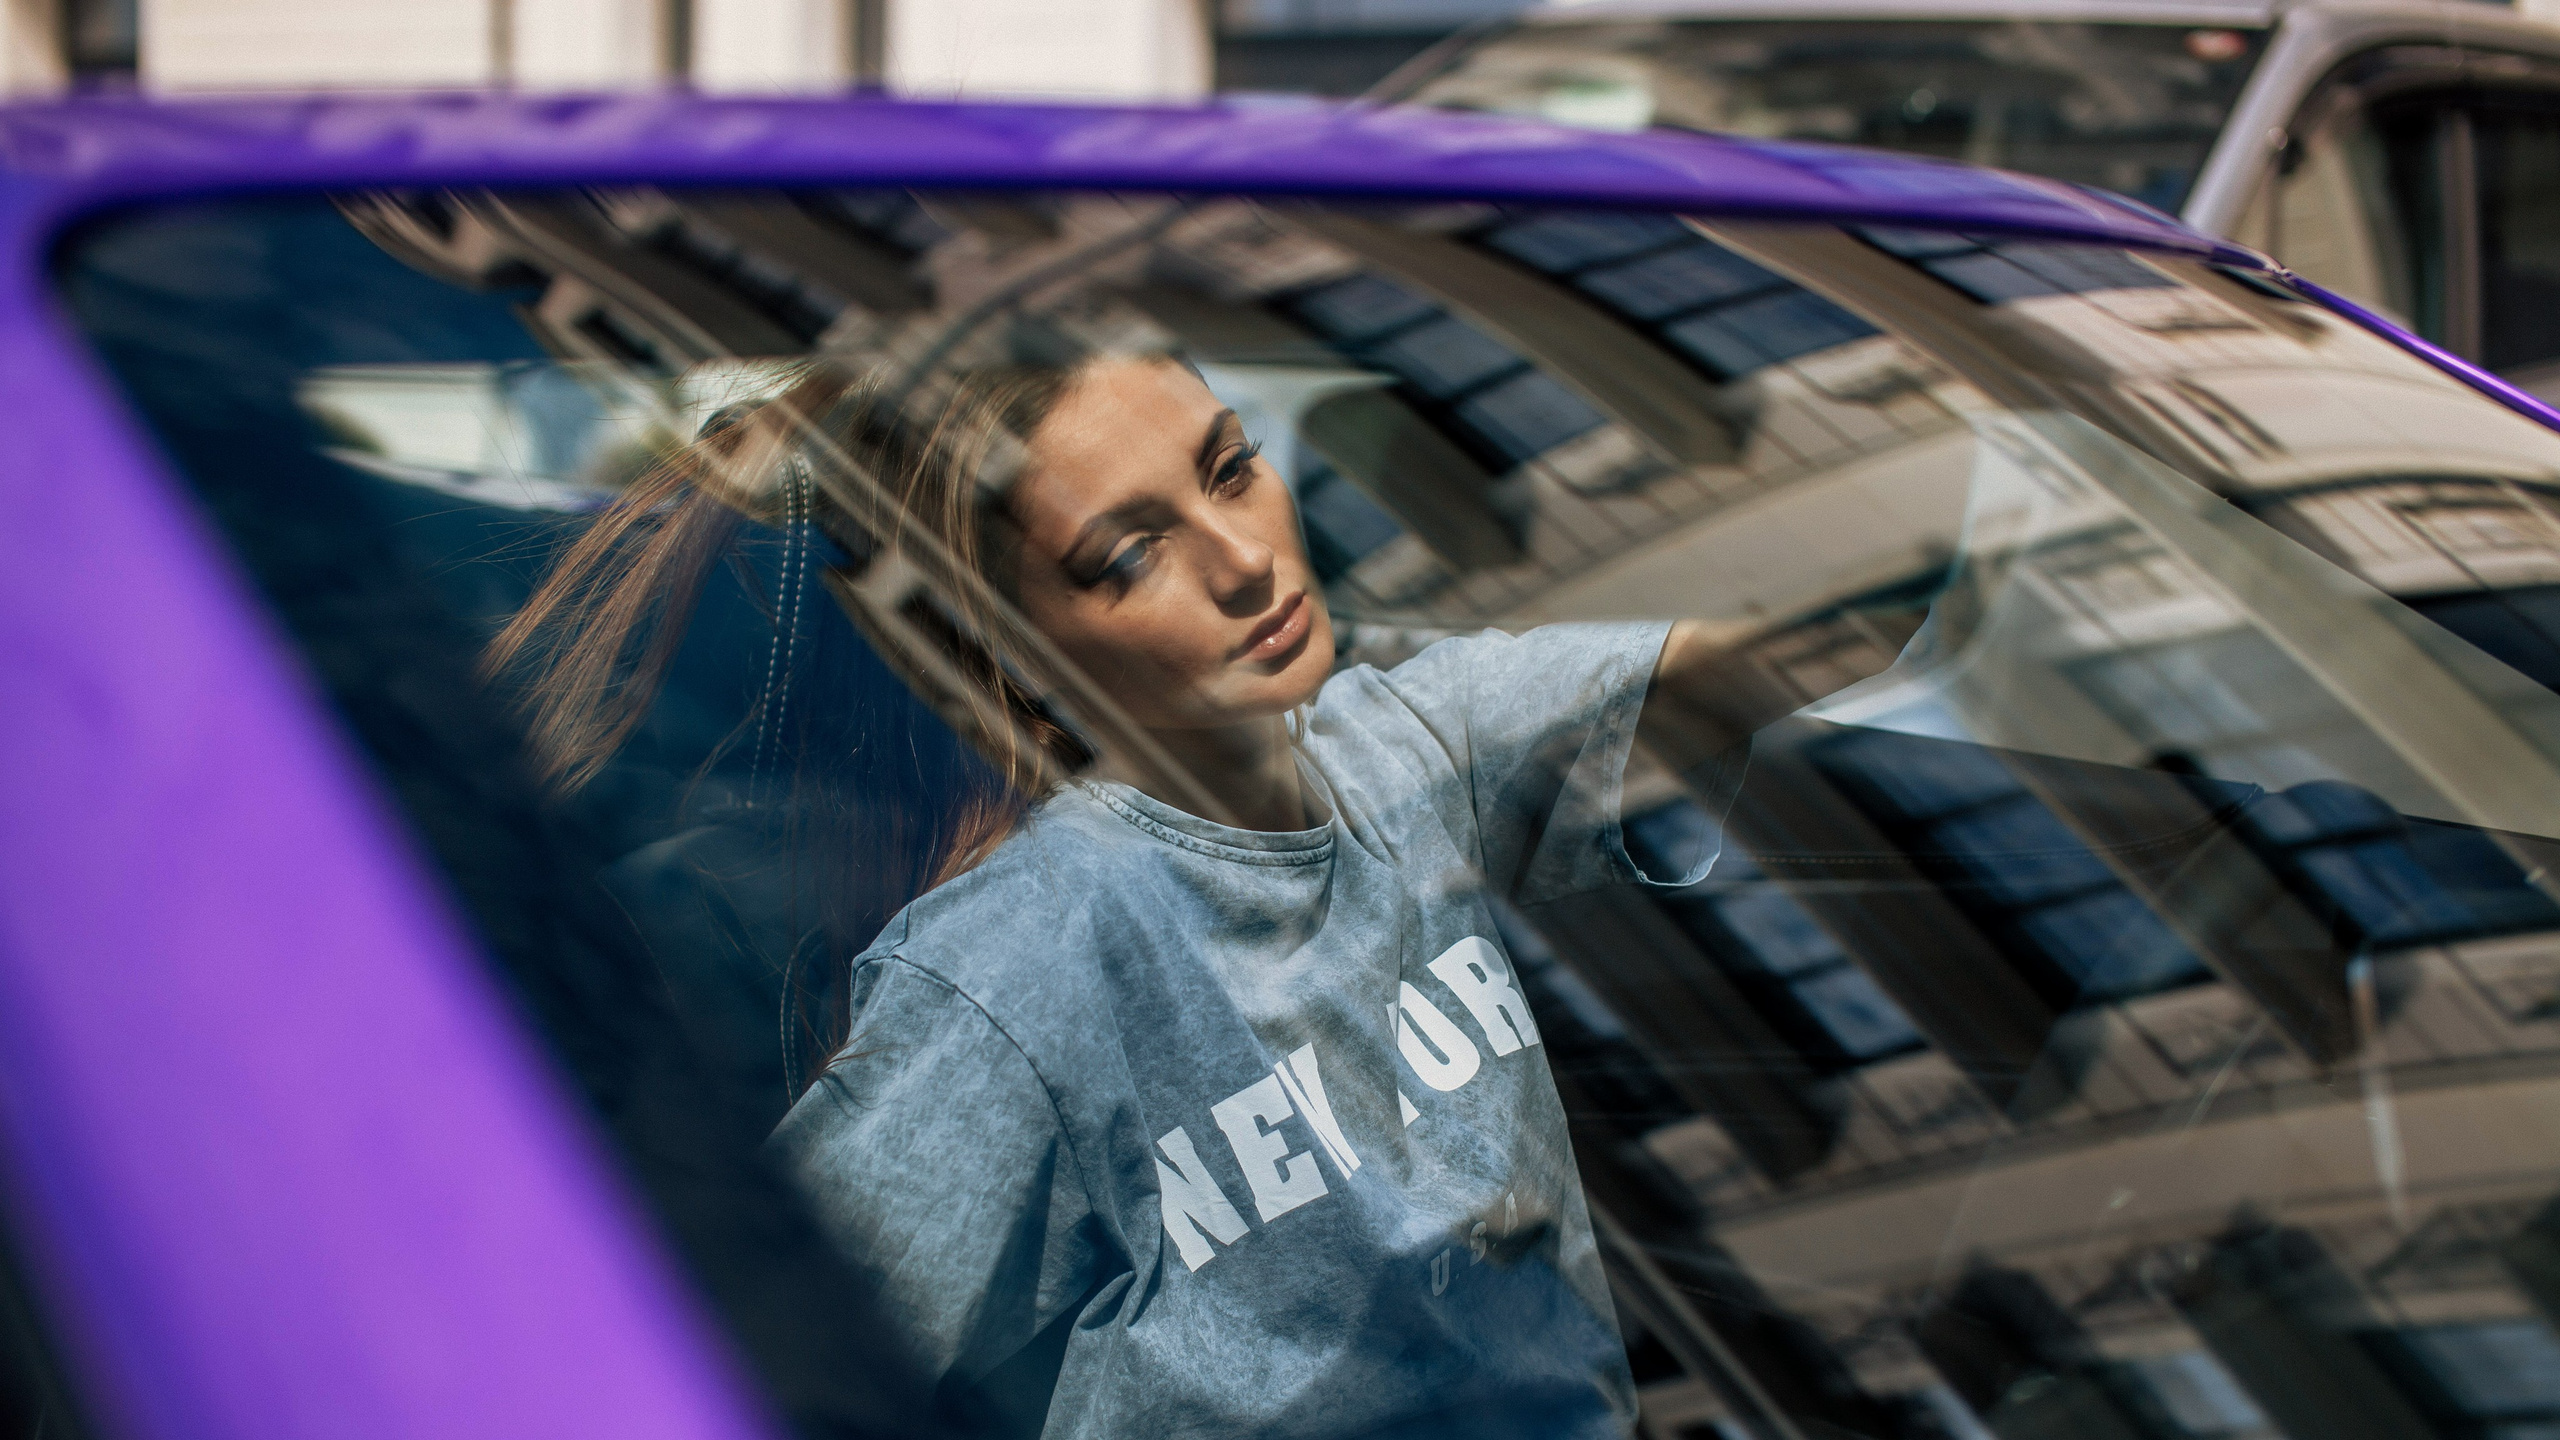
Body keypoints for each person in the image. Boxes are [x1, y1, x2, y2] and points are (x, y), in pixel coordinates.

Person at [493, 348, 1816, 1439]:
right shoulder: (1030, 954)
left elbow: (1799, 644)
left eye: (1230, 468)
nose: (1243, 560)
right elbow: (703, 1362)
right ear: (1012, 648)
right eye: (1126, 557)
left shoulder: (1407, 746)